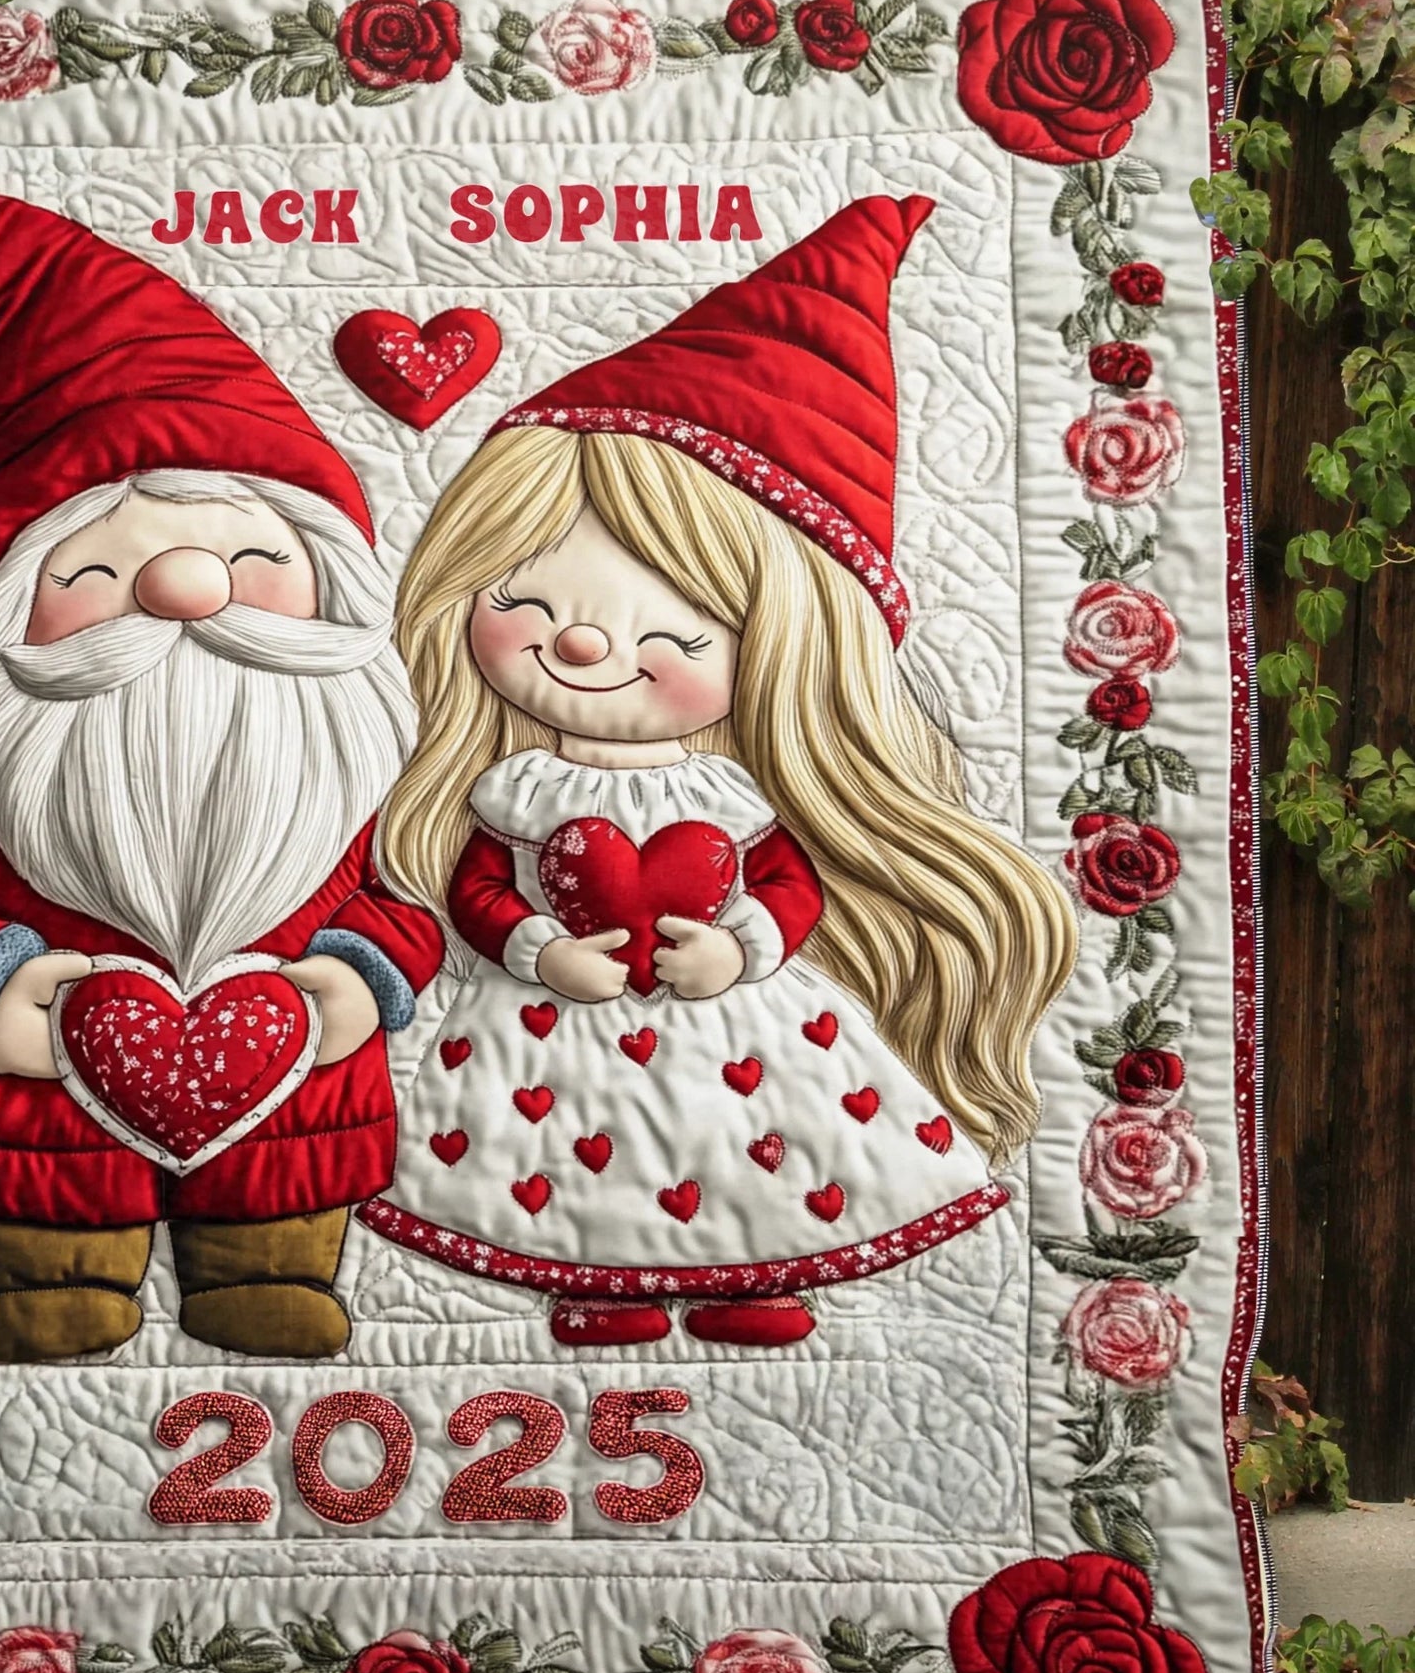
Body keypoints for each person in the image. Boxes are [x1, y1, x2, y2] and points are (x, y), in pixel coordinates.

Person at [370, 193, 1076, 1348]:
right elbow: (480, 885)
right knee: (562, 1138)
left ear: (781, 646)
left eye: (675, 629)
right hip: (549, 1015)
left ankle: (753, 1272)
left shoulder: (733, 792)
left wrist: (742, 945)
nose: (579, 642)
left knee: (742, 1129)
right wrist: (534, 945)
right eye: (520, 597)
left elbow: (787, 881)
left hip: (729, 1011)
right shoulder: (519, 789)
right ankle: (601, 1282)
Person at [0, 193, 442, 1364]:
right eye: (97, 573)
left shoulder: (338, 782)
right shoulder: (5, 796)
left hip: (290, 1097)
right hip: (35, 1114)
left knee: (277, 1216)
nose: (186, 591)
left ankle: (266, 1261)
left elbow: (402, 890)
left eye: (249, 559)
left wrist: (359, 974)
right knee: (41, 1240)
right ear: (6, 622)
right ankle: (49, 1272)